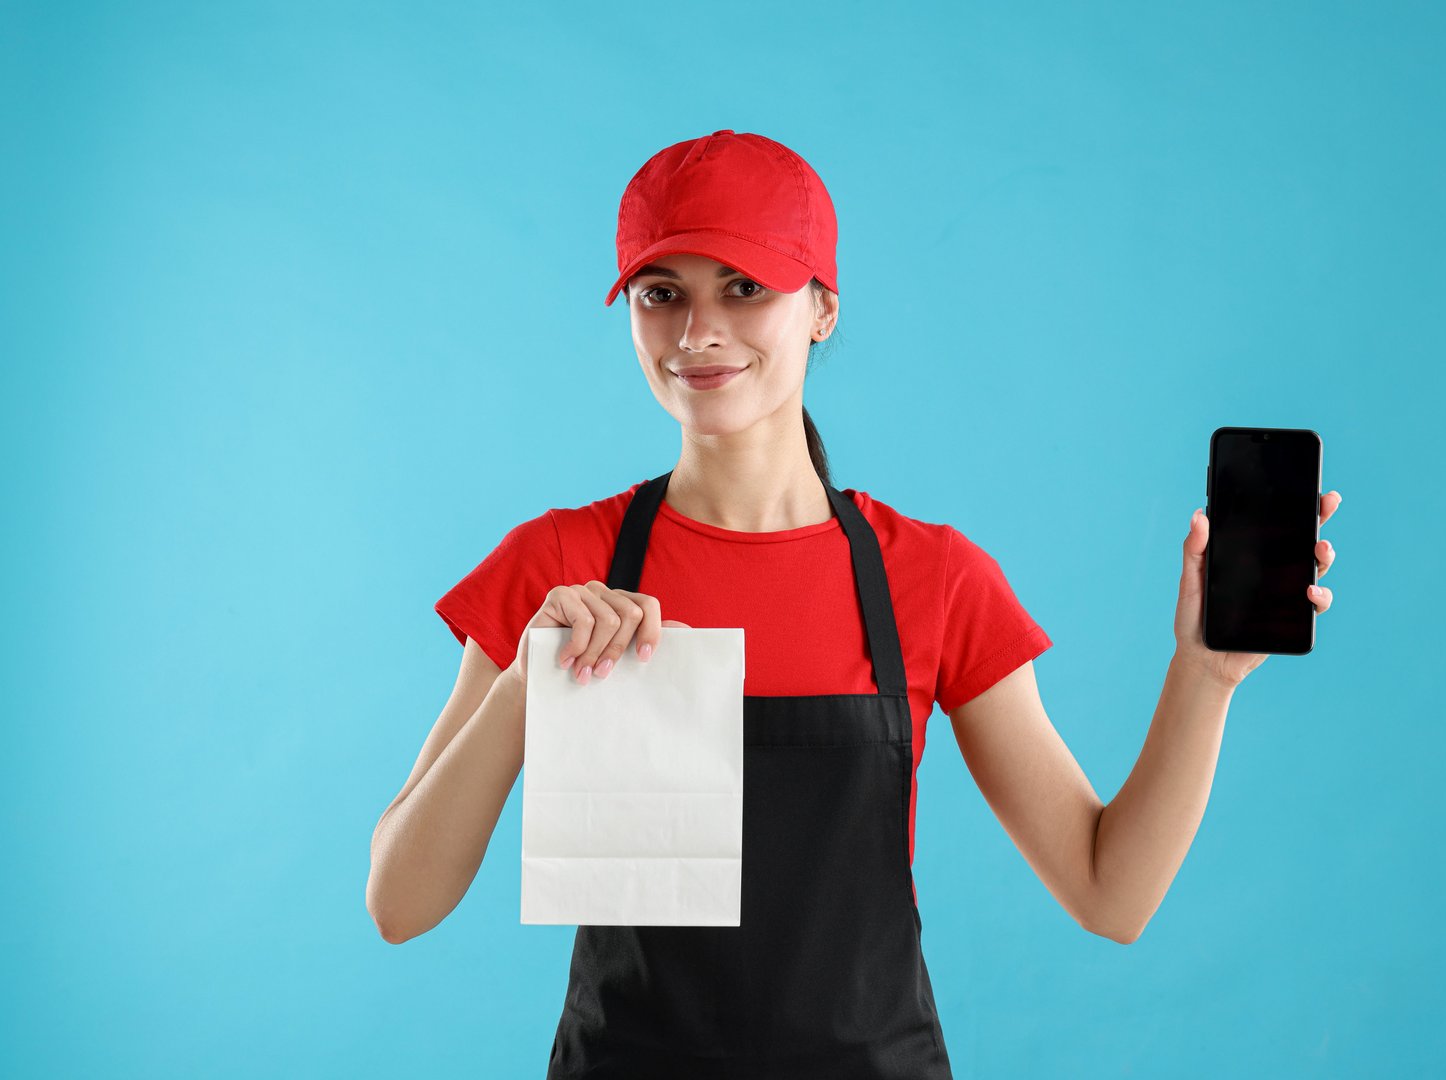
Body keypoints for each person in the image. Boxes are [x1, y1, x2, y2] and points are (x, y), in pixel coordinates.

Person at [366, 130, 1343, 1079]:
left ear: (822, 306)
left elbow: (1107, 891)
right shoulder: (560, 564)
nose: (697, 333)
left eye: (742, 288)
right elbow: (399, 902)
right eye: (662, 295)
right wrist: (522, 691)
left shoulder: (933, 577)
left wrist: (1204, 678)